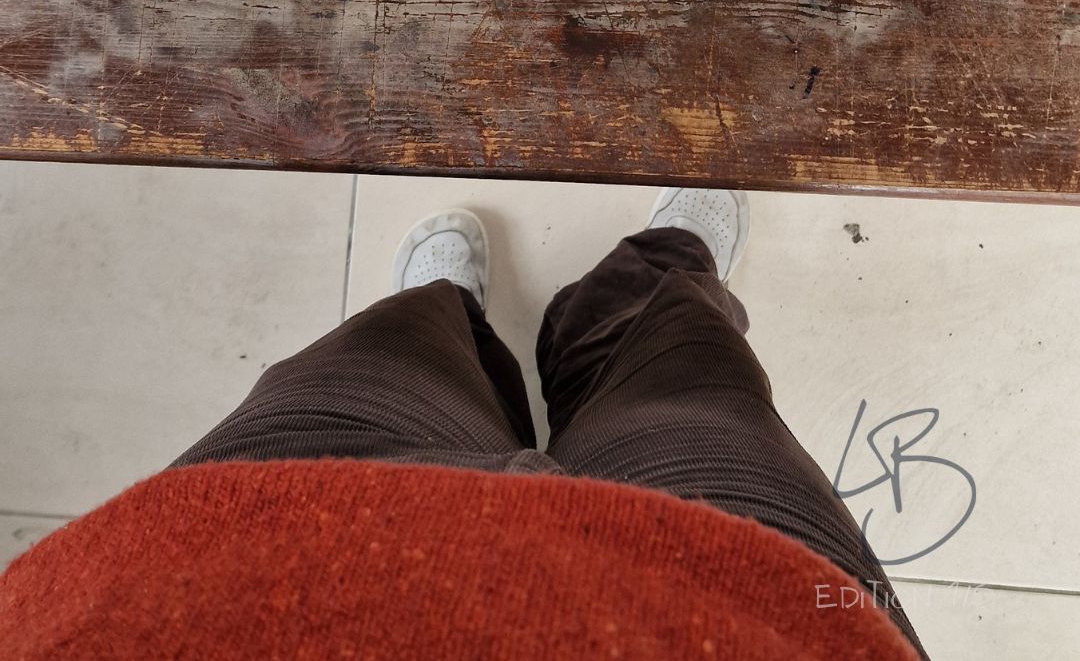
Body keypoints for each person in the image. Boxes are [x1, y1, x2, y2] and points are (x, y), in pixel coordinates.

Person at [0, 188, 926, 659]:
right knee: (700, 384)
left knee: (382, 361)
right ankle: (653, 289)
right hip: (762, 610)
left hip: (238, 554)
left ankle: (450, 317)